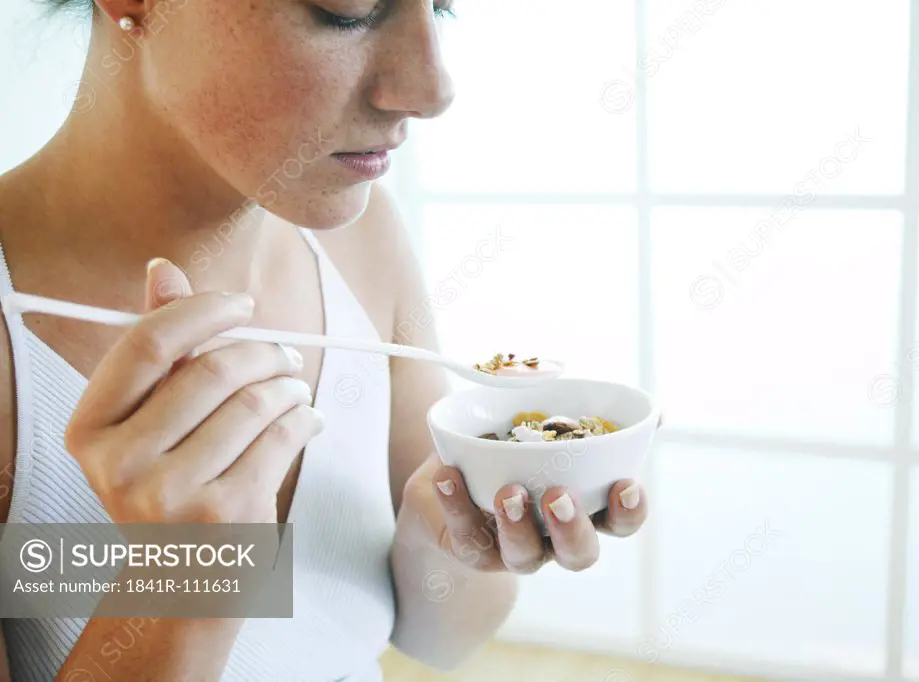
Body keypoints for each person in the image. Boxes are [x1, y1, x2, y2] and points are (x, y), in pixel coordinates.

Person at [0, 1, 650, 680]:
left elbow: (436, 641)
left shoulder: (359, 241)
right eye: (347, 11)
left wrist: (456, 530)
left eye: (441, 7)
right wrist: (188, 580)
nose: (433, 89)